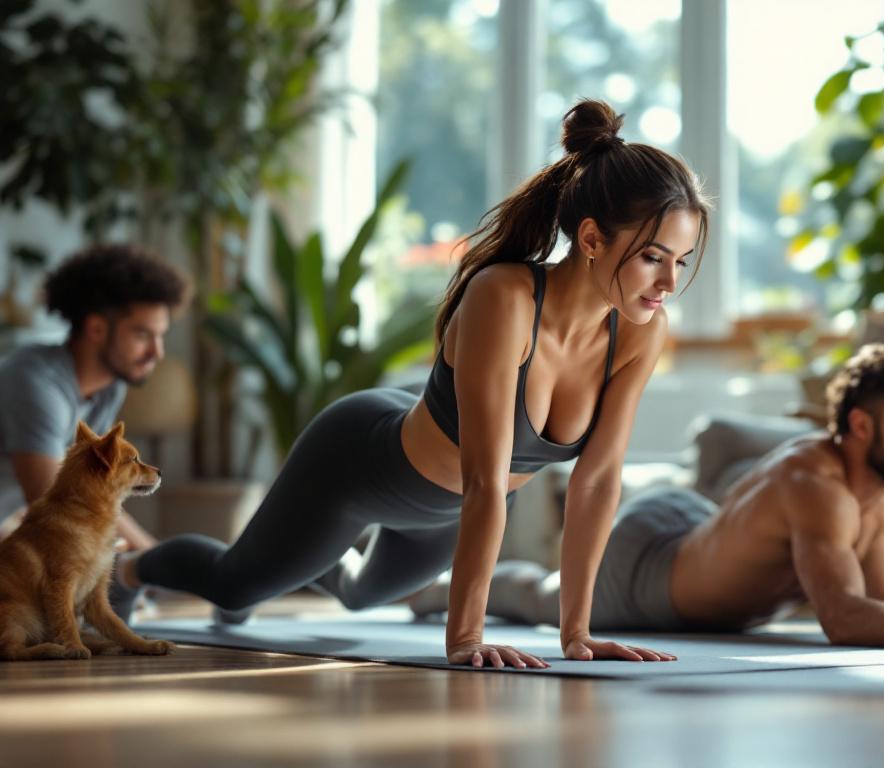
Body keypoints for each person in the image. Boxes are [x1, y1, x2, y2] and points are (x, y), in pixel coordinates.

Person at [114, 99, 711, 669]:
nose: (668, 282)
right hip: (359, 464)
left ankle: (308, 558)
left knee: (359, 596)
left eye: (680, 262)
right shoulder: (504, 297)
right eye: (654, 258)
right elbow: (485, 478)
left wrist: (577, 634)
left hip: (449, 513)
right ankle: (128, 571)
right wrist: (467, 637)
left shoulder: (640, 331)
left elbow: (598, 480)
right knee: (234, 584)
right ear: (590, 240)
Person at [413, 343, 884, 657]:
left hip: (696, 524)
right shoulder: (817, 486)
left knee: (549, 591)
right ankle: (431, 588)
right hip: (651, 571)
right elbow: (844, 618)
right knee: (541, 598)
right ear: (863, 427)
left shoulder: (875, 493)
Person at [0, 244, 188, 551]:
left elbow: (93, 490)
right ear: (97, 328)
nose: (157, 352)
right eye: (143, 335)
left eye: (160, 335)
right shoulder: (35, 382)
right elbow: (59, 507)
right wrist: (153, 561)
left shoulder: (109, 386)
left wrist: (153, 557)